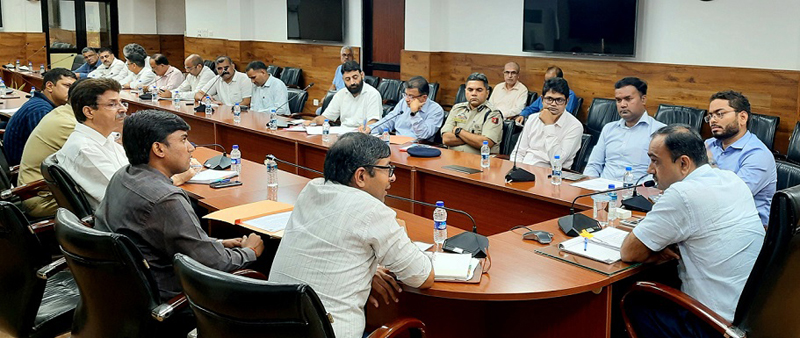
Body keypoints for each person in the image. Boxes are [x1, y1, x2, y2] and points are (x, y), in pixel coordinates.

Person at [269, 132, 434, 338]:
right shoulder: (371, 210)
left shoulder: (312, 189)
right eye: (387, 168)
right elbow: (423, 276)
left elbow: (328, 247)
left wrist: (367, 270)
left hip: (274, 326)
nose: (392, 177)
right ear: (361, 176)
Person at [94, 109, 263, 302]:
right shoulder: (166, 199)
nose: (191, 148)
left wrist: (216, 243)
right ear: (159, 149)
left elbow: (156, 238)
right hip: (170, 296)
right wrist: (250, 251)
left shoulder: (124, 174)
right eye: (183, 140)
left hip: (125, 291)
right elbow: (214, 264)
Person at [620, 124, 764, 338]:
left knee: (630, 300)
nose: (650, 169)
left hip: (712, 324)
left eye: (655, 161)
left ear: (684, 163)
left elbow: (629, 252)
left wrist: (654, 250)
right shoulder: (731, 179)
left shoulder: (683, 194)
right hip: (752, 317)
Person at [54, 78, 197, 210]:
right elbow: (132, 193)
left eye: (121, 102)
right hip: (128, 222)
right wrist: (178, 177)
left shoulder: (105, 139)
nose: (123, 109)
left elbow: (136, 172)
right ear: (89, 112)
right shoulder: (85, 149)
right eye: (112, 104)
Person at [705, 90, 776, 226]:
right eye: (710, 116)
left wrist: (710, 162)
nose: (713, 120)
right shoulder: (709, 144)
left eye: (720, 114)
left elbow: (731, 198)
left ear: (742, 117)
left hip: (745, 227)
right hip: (711, 218)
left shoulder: (758, 155)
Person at [17, 79, 83, 218]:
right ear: (88, 108)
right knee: (109, 203)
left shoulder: (61, 111)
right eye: (111, 104)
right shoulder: (67, 124)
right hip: (42, 199)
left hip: (38, 190)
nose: (122, 109)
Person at [584, 77, 666, 180]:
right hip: (601, 190)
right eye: (618, 100)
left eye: (628, 99)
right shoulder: (609, 129)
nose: (622, 105)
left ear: (643, 99)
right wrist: (589, 186)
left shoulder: (659, 132)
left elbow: (658, 173)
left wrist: (636, 191)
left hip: (637, 191)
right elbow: (593, 165)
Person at [3, 68, 76, 166]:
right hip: (24, 169)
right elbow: (50, 148)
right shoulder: (41, 110)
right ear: (49, 86)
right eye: (67, 86)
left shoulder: (40, 103)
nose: (72, 92)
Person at [510, 77, 583, 168]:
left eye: (559, 100)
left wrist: (549, 125)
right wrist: (517, 170)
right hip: (524, 170)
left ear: (567, 101)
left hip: (552, 175)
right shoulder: (532, 119)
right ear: (542, 99)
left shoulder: (575, 126)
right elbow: (518, 153)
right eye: (549, 99)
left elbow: (557, 161)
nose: (553, 104)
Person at [363, 76, 444, 142]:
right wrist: (370, 128)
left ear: (424, 98)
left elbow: (424, 134)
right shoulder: (403, 103)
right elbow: (389, 121)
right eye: (406, 94)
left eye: (411, 96)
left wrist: (414, 113)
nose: (407, 99)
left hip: (419, 147)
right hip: (396, 143)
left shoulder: (436, 111)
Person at [441, 72, 503, 154]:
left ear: (487, 93)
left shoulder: (493, 114)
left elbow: (485, 143)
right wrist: (473, 139)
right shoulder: (457, 109)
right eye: (470, 90)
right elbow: (446, 139)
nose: (474, 93)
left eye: (479, 90)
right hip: (453, 159)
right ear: (465, 91)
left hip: (479, 162)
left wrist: (458, 131)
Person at [310, 61, 382, 128]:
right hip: (343, 136)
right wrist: (311, 123)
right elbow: (325, 117)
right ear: (343, 79)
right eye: (347, 79)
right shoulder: (341, 94)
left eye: (355, 77)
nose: (352, 82)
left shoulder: (373, 94)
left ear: (362, 75)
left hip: (363, 136)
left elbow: (373, 122)